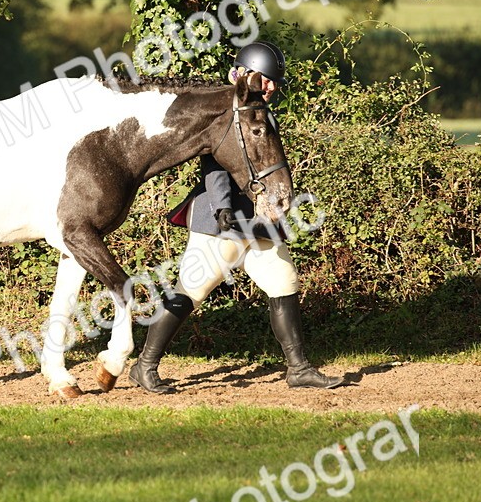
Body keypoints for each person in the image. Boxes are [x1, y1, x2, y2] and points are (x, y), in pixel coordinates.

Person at [128, 41, 345, 393]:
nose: (273, 87)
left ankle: (299, 368)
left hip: (257, 218)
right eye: (269, 79)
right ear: (249, 74)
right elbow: (213, 166)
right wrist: (221, 207)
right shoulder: (226, 109)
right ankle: (144, 366)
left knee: (283, 280)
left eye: (274, 81)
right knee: (192, 290)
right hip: (221, 220)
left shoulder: (258, 110)